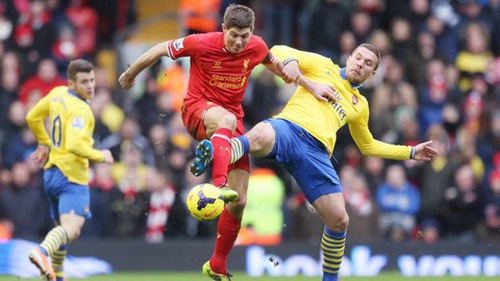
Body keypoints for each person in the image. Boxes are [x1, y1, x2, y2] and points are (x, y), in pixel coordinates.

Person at [193, 43, 438, 281]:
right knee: (259, 135)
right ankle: (216, 152)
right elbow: (278, 51)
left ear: (373, 74)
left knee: (339, 219)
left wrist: (410, 152)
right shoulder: (323, 65)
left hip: (316, 154)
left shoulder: (360, 105)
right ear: (349, 57)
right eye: (358, 58)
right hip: (288, 128)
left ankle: (330, 279)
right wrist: (289, 64)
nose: (360, 64)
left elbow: (367, 145)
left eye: (368, 64)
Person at [118, 4, 327, 281]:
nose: (239, 42)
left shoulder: (256, 47)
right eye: (234, 35)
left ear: (251, 32)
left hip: (231, 128)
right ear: (224, 29)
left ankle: (217, 264)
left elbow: (280, 69)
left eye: (244, 35)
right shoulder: (201, 42)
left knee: (239, 201)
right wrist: (131, 74)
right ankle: (218, 184)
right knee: (226, 123)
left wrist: (311, 87)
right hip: (198, 111)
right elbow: (159, 49)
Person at [25, 59, 114, 281]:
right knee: (72, 229)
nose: (90, 86)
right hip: (72, 177)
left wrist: (44, 142)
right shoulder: (82, 110)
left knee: (61, 231)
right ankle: (41, 252)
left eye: (92, 80)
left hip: (52, 175)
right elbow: (75, 144)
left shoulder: (57, 93)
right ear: (72, 84)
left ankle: (58, 276)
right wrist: (100, 155)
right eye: (84, 82)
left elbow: (32, 117)